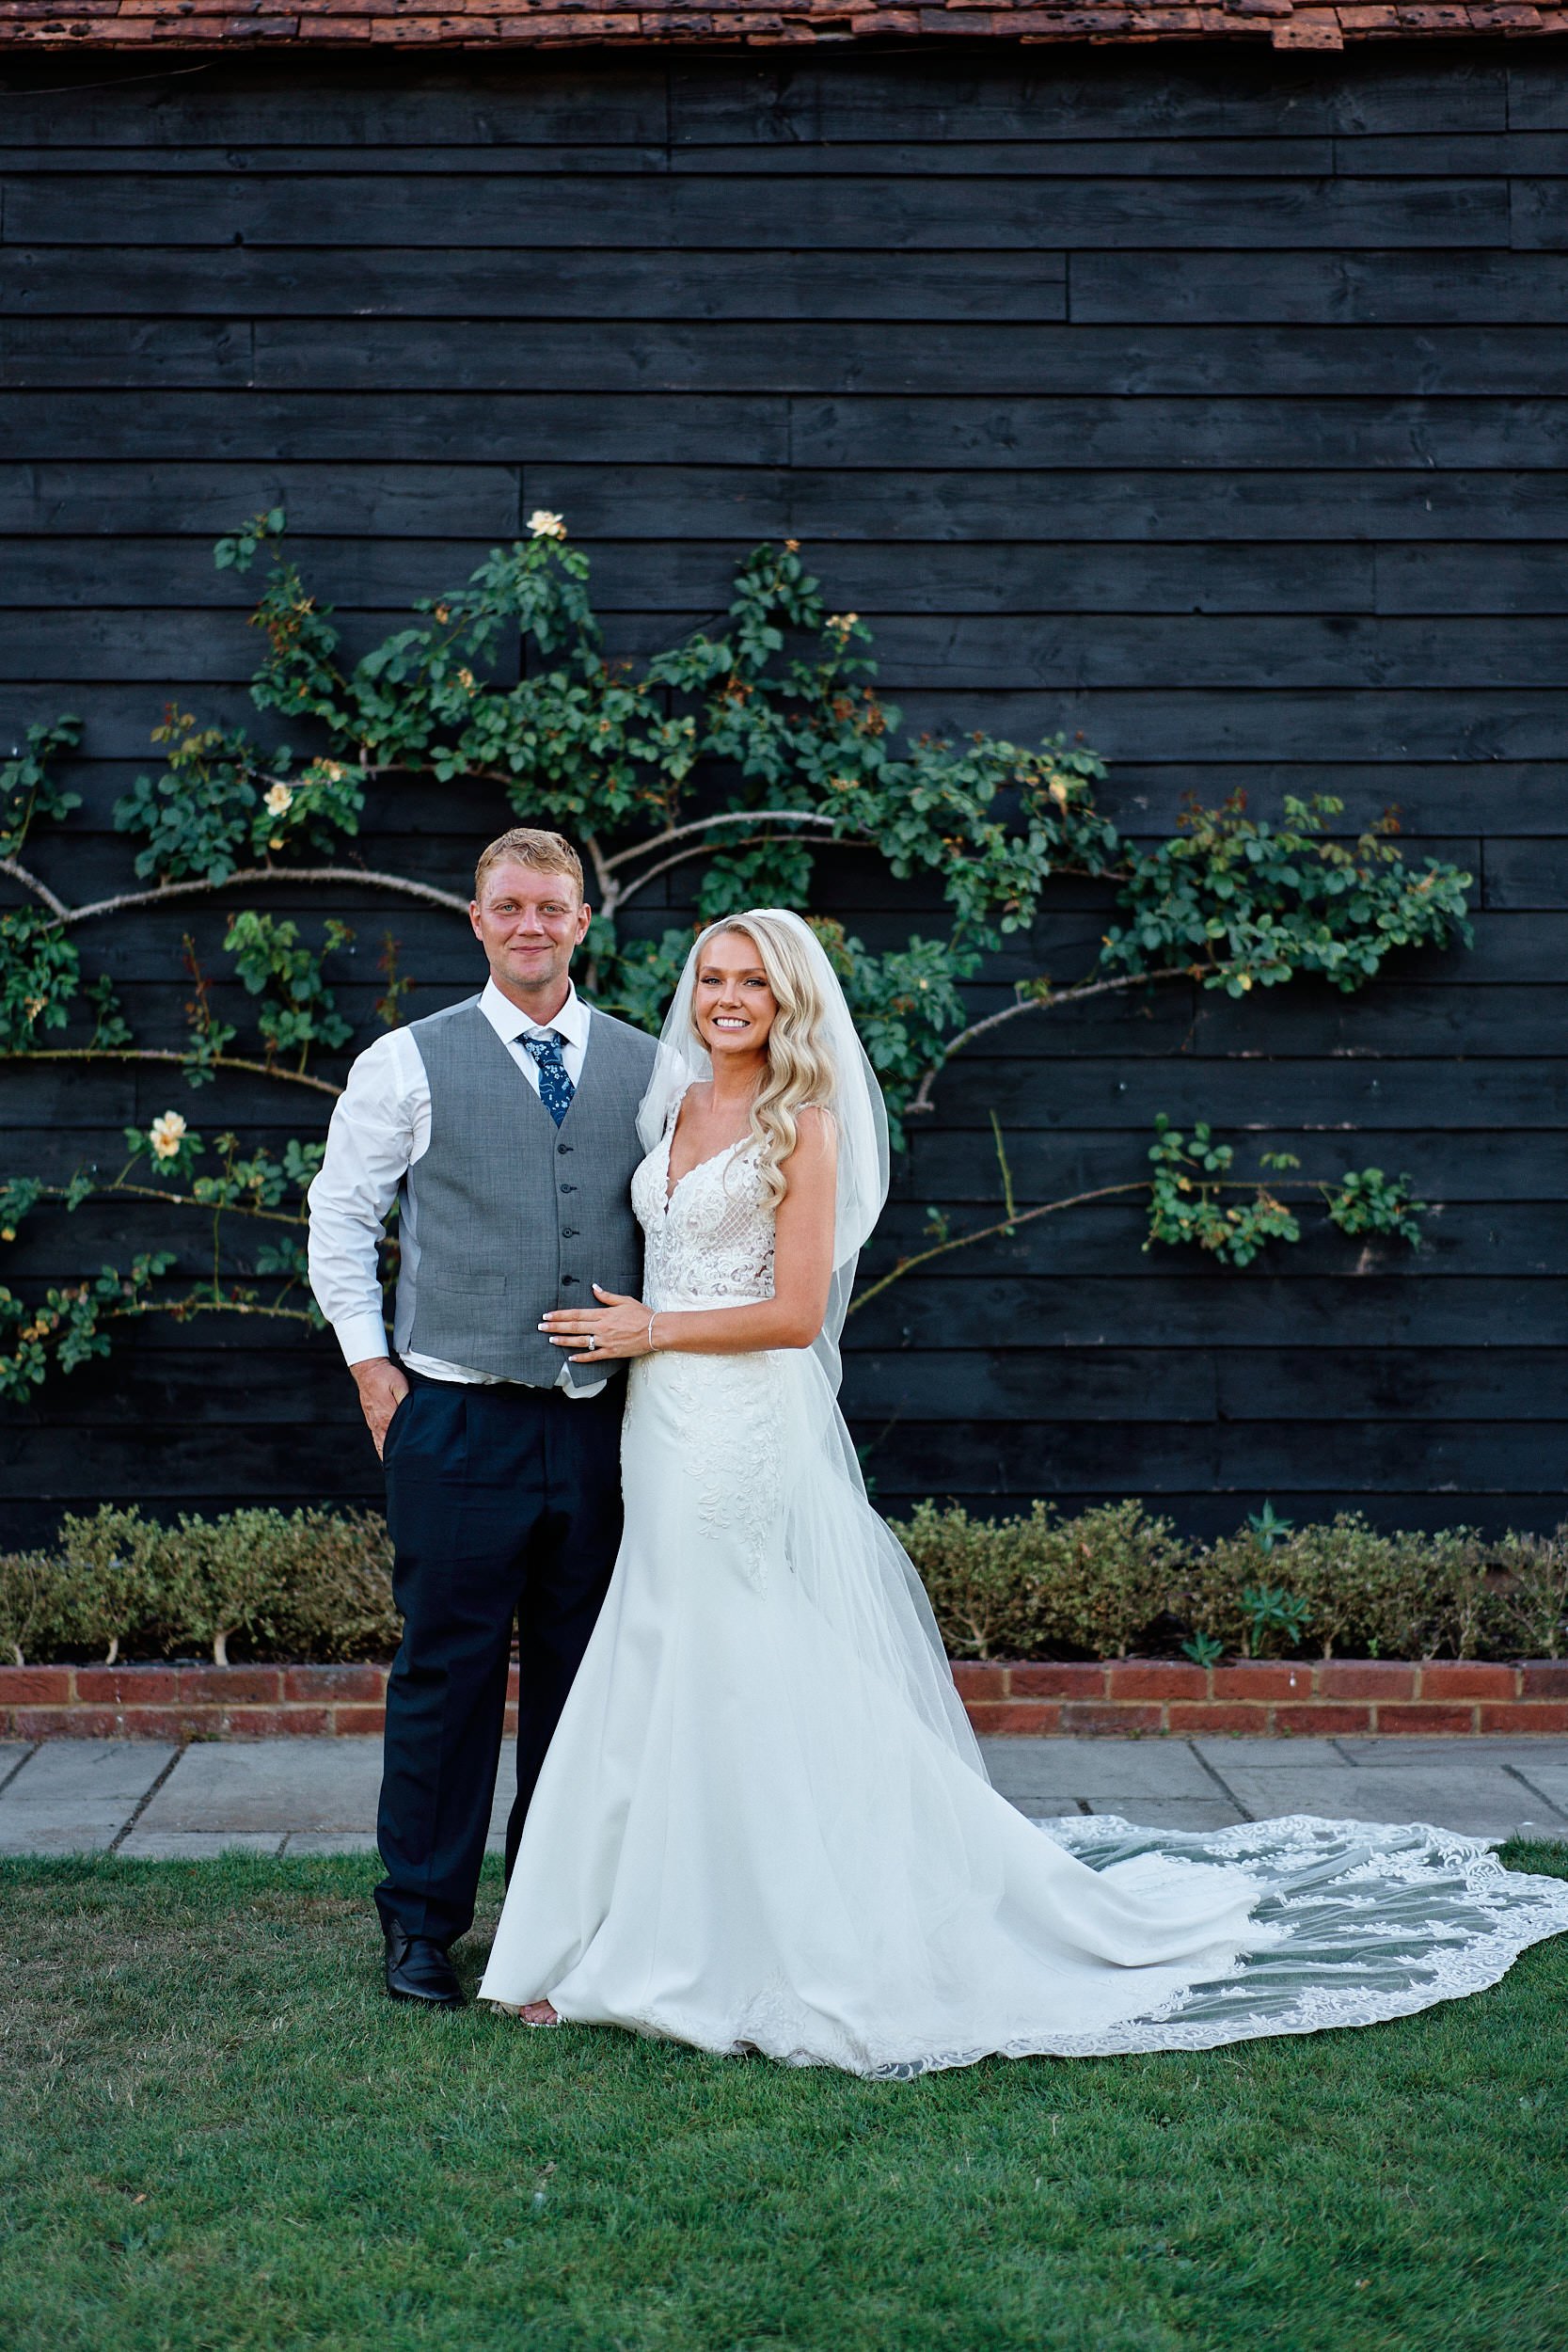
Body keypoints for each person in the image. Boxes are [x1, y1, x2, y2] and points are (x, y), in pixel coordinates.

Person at [478, 907, 1568, 2076]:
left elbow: (796, 1315)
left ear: (789, 1000)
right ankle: (622, 1931)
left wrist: (653, 1327)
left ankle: (718, 1945)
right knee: (667, 1646)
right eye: (711, 979)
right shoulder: (675, 1104)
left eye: (751, 981)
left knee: (721, 1652)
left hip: (735, 1419)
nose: (726, 998)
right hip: (659, 1424)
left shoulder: (806, 1122)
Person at [307, 828, 656, 2009]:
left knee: (584, 1683)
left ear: (581, 921)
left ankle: (555, 1924)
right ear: (476, 919)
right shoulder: (406, 1061)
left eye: (550, 906)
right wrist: (372, 1370)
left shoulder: (652, 1068)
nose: (530, 925)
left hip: (605, 1430)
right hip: (454, 1420)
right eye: (508, 905)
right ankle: (420, 1924)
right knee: (445, 1681)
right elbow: (339, 1219)